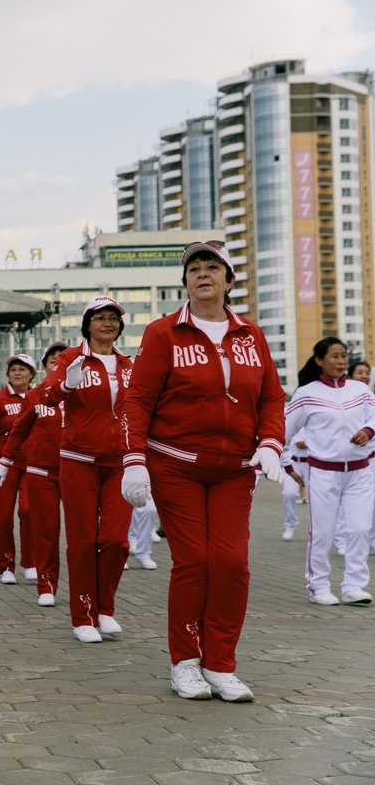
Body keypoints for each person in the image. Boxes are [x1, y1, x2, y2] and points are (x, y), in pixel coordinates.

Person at [121, 241, 285, 702]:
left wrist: (270, 442)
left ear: (229, 281)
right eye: (194, 268)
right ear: (186, 282)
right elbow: (137, 400)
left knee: (231, 564)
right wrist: (134, 460)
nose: (203, 274)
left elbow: (271, 396)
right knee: (195, 562)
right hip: (176, 465)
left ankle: (221, 664)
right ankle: (186, 663)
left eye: (213, 267)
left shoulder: (251, 334)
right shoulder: (163, 333)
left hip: (235, 469)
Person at [39, 295, 133, 643]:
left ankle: (104, 608)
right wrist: (66, 384)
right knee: (83, 541)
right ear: (87, 325)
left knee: (115, 541)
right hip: (78, 461)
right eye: (99, 318)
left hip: (120, 463)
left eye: (113, 318)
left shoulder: (128, 365)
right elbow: (47, 396)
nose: (107, 323)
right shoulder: (69, 359)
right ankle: (82, 615)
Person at [284, 336, 374, 607]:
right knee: (322, 532)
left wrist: (368, 431)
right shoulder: (306, 393)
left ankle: (354, 586)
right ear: (320, 361)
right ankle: (318, 585)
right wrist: (285, 463)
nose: (341, 361)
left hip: (360, 471)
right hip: (323, 472)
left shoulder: (360, 390)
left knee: (360, 529)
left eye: (344, 355)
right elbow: (282, 433)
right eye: (334, 356)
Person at [1, 341, 67, 606]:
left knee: (82, 536)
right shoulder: (35, 395)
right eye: (52, 359)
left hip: (76, 469)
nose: (57, 362)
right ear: (44, 367)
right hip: (40, 470)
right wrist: (4, 461)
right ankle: (46, 584)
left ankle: (92, 595)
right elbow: (19, 431)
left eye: (63, 358)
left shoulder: (84, 394)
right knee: (46, 530)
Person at [0, 354, 38, 584]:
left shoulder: (39, 397)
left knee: (28, 511)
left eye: (22, 369)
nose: (17, 373)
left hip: (32, 465)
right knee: (3, 516)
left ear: (32, 374)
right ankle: (6, 566)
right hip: (3, 465)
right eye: (13, 369)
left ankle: (30, 562)